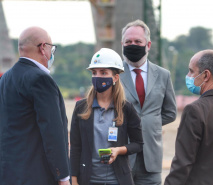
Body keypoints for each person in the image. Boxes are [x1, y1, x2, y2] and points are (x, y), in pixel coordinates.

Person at [0, 27, 70, 185]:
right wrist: (63, 176)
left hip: (8, 174)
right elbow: (53, 131)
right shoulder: (41, 79)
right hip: (37, 176)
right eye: (51, 47)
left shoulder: (5, 79)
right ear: (42, 47)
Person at [70, 48, 143, 185]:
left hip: (118, 181)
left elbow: (138, 144)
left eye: (103, 72)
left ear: (115, 77)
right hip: (88, 180)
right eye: (94, 72)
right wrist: (73, 180)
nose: (97, 76)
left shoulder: (126, 108)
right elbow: (75, 148)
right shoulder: (81, 108)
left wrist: (119, 150)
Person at [120, 19, 177, 185]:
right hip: (122, 156)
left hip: (151, 158)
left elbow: (171, 113)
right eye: (128, 42)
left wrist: (149, 124)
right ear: (122, 44)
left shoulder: (163, 75)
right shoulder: (114, 74)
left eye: (138, 41)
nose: (133, 45)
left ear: (148, 45)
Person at [164, 50, 213, 185]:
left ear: (205, 75)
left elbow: (183, 162)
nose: (188, 76)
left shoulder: (195, 110)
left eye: (191, 71)